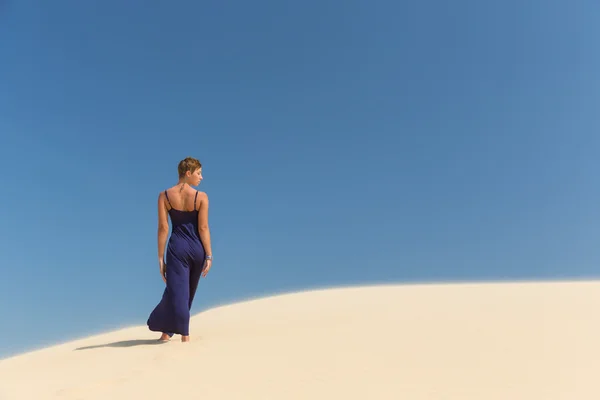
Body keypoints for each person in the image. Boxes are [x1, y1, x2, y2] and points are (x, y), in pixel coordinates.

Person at [147, 156, 213, 342]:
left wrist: (160, 258)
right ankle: (168, 333)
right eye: (199, 173)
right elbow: (203, 228)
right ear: (188, 173)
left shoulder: (164, 196)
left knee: (177, 291)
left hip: (177, 248)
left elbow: (163, 228)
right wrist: (209, 255)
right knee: (183, 292)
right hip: (197, 249)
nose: (201, 177)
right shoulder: (201, 197)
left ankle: (184, 337)